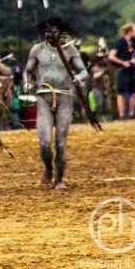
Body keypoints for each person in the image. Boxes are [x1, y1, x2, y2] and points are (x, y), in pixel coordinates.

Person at [23, 18, 88, 190]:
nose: (50, 34)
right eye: (47, 31)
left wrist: (78, 78)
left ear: (61, 32)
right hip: (43, 97)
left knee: (60, 142)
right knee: (44, 142)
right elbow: (27, 72)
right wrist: (27, 83)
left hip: (64, 97)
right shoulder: (37, 50)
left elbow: (83, 71)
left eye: (54, 31)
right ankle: (48, 168)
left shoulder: (69, 50)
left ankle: (59, 179)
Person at [108, 23, 135, 119]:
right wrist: (123, 62)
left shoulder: (134, 42)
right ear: (130, 31)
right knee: (121, 93)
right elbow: (111, 56)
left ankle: (131, 113)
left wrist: (133, 59)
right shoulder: (120, 42)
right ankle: (121, 115)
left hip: (132, 70)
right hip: (122, 70)